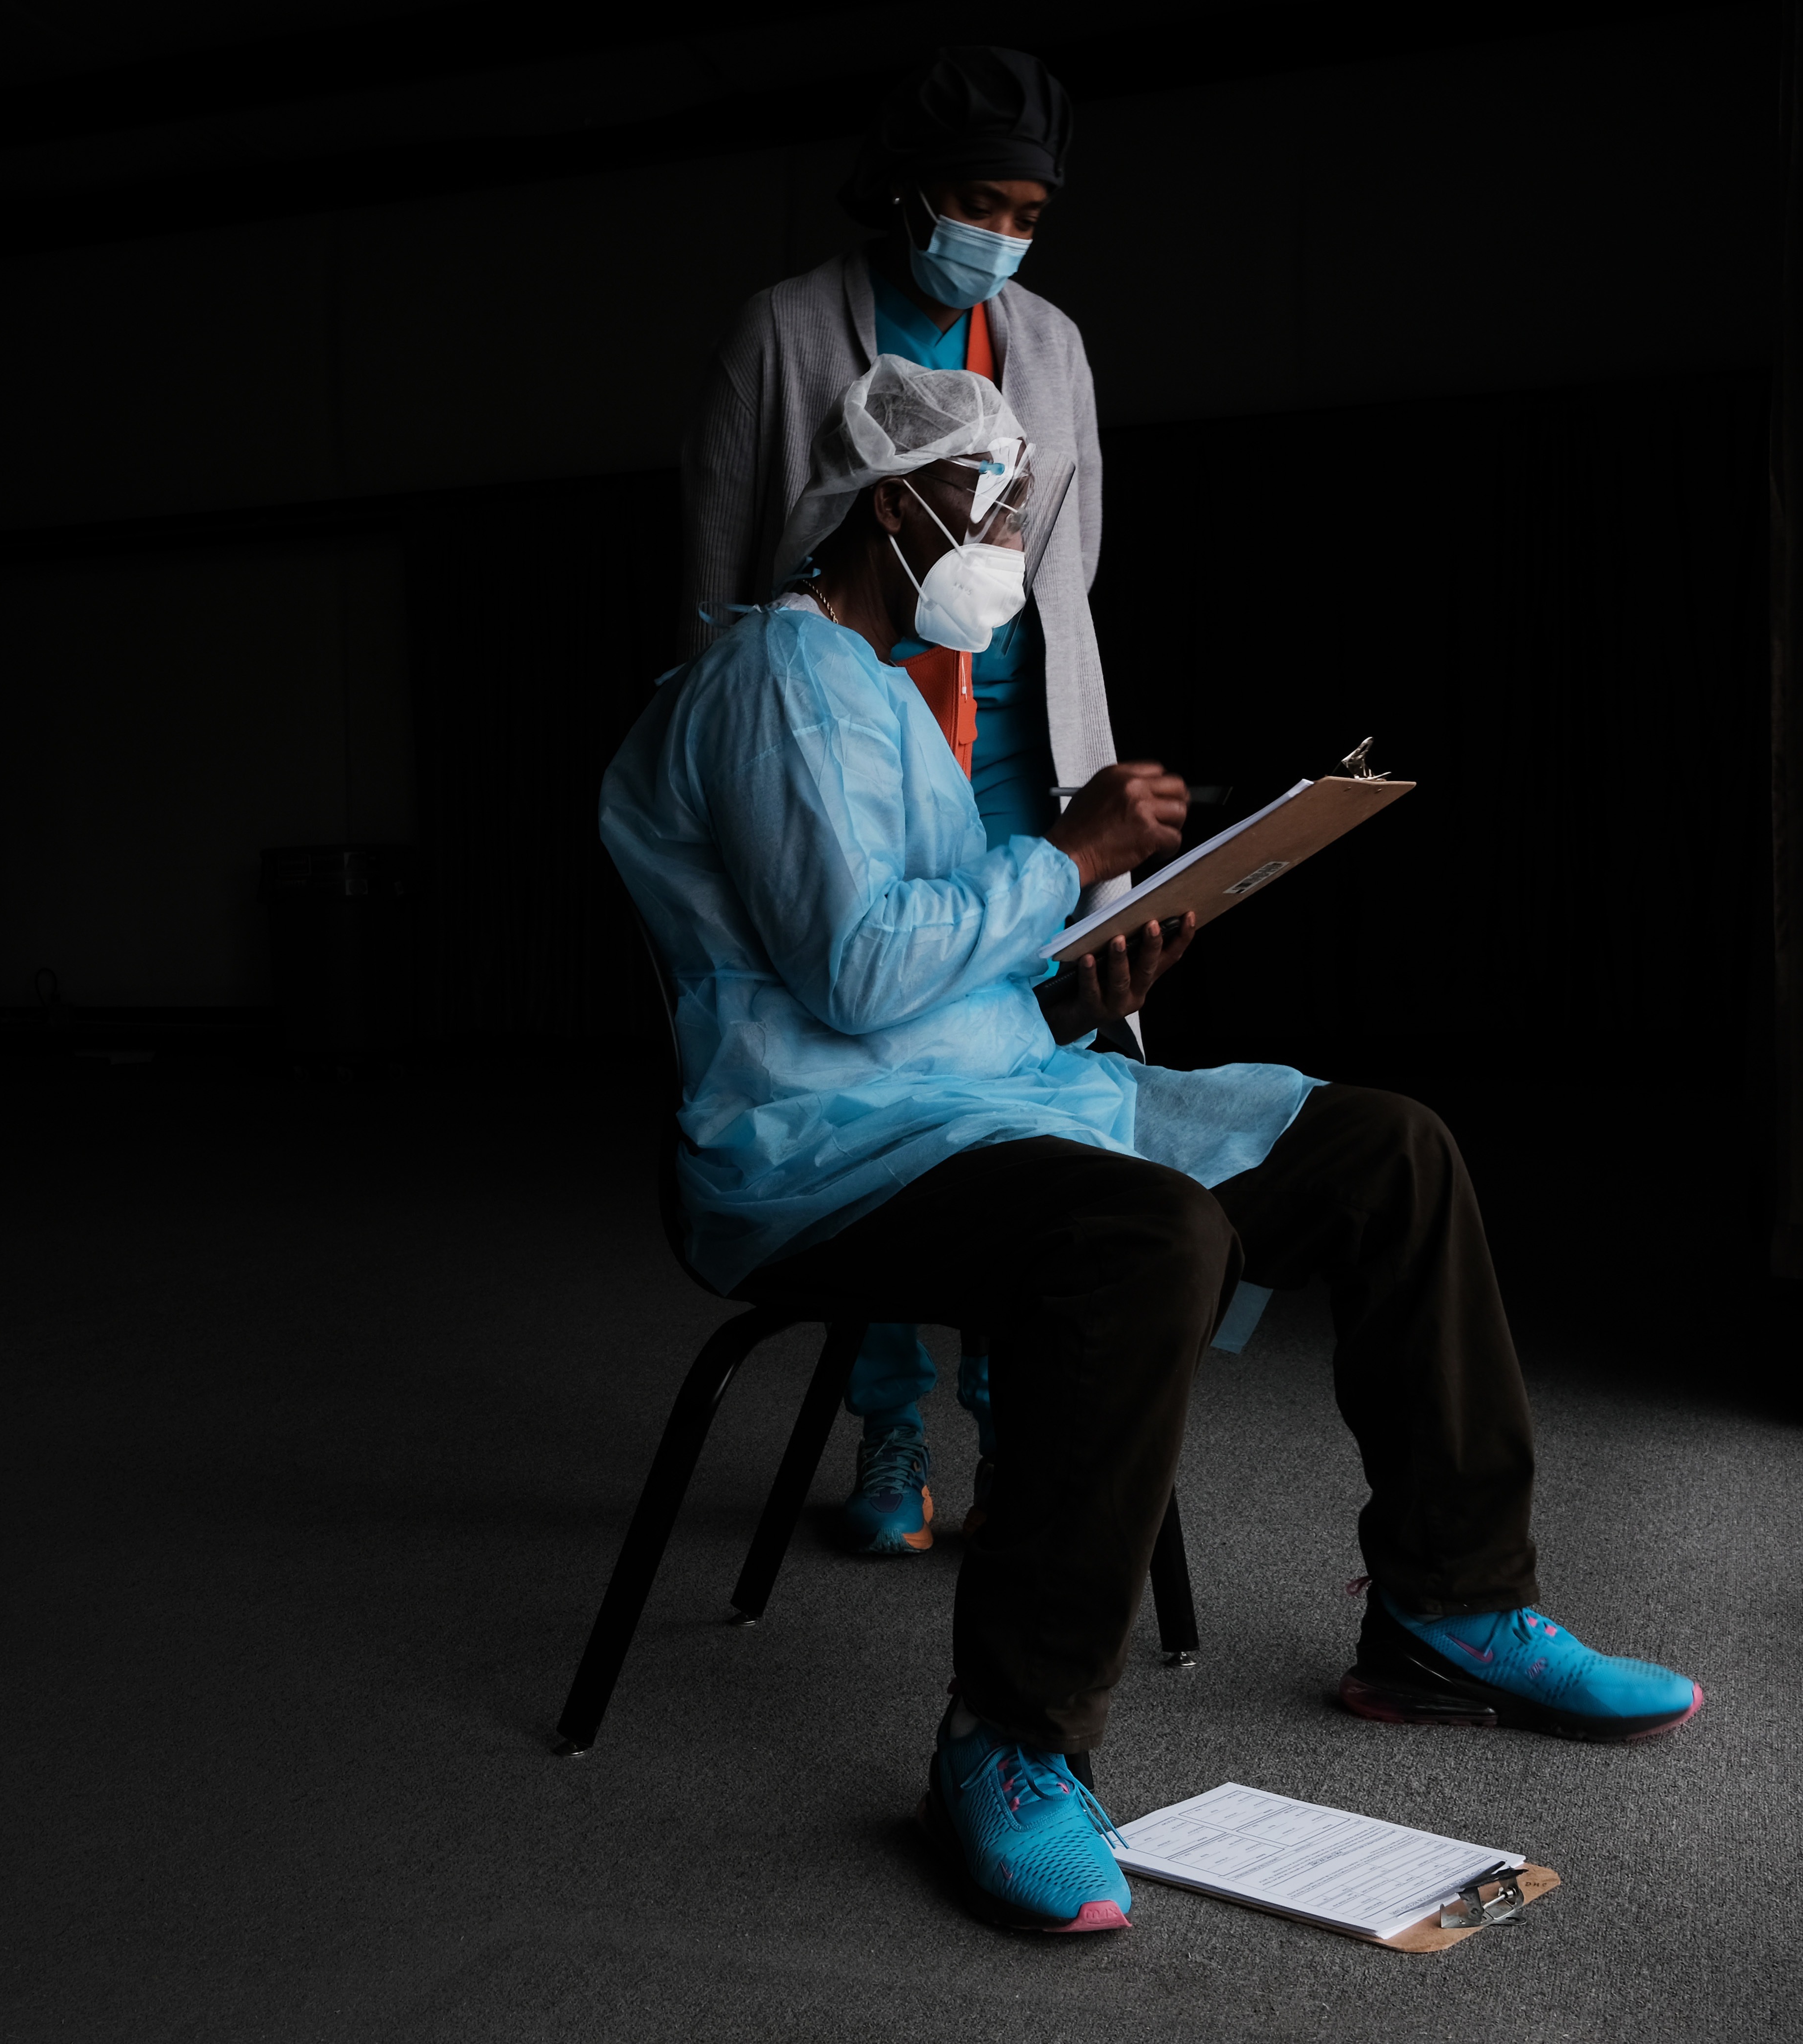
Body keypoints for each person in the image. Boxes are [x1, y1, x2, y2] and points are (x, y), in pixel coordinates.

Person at [601, 359, 1702, 1935]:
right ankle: (1009, 1737)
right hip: (826, 1153)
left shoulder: (884, 690)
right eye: (984, 500)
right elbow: (849, 974)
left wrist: (1085, 974)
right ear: (887, 502)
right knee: (1145, 1238)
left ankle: (1447, 1607)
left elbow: (938, 973)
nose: (1001, 532)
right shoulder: (775, 672)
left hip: (987, 1102)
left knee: (1385, 1145)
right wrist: (1064, 855)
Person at [681, 47, 1109, 1556]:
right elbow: (729, 574)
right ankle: (887, 1428)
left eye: (1028, 209)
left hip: (1008, 756)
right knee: (871, 1077)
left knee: (1010, 1097)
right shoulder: (782, 333)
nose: (1000, 230)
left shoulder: (1046, 343)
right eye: (977, 202)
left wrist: (1078, 846)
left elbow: (1064, 563)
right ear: (906, 192)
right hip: (844, 749)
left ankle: (1008, 1421)